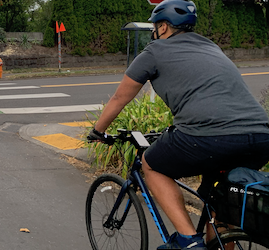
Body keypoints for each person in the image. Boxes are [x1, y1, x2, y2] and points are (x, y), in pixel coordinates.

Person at [87, 0, 269, 249]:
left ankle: (188, 240)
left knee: (151, 165)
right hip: (260, 136)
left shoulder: (153, 52)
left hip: (208, 136)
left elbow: (120, 98)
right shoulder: (211, 46)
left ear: (163, 27)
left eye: (155, 26)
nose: (154, 31)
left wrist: (98, 131)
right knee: (221, 200)